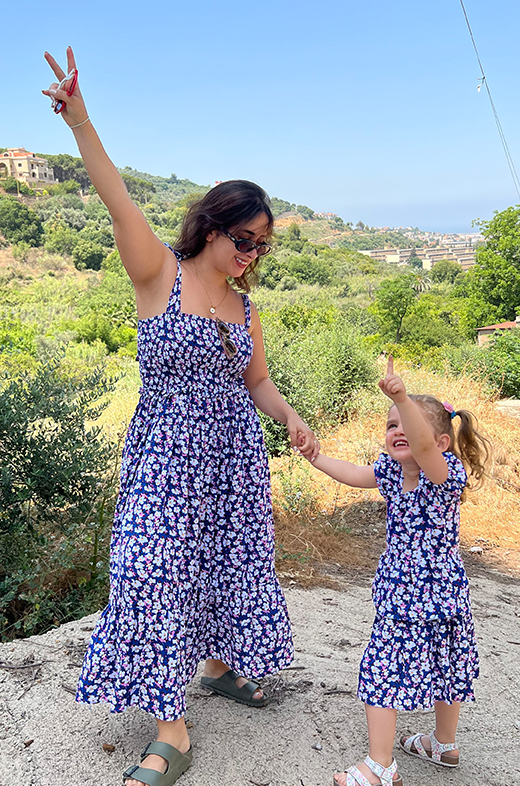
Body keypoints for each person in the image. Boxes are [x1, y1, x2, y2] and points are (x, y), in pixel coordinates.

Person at [43, 48, 319, 786]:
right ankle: (173, 729)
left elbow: (257, 381)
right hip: (167, 451)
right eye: (244, 239)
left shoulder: (246, 306)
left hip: (232, 455)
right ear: (213, 224)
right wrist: (81, 122)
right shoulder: (158, 271)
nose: (252, 255)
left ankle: (222, 667)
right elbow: (115, 197)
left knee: (232, 566)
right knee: (151, 572)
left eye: (262, 246)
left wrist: (289, 415)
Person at [303, 357, 490, 786]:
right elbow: (353, 474)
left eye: (409, 424)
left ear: (443, 441)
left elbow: (422, 450)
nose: (399, 431)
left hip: (415, 597)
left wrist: (402, 397)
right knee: (447, 666)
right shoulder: (390, 471)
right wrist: (316, 457)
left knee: (380, 671)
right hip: (439, 595)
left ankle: (380, 766)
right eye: (391, 426)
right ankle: (443, 745)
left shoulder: (443, 474)